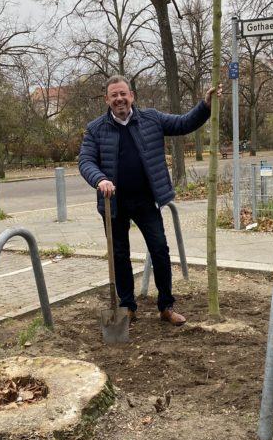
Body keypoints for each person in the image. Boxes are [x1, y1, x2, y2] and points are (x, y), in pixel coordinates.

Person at [78, 75, 221, 326]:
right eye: (114, 95)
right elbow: (85, 161)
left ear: (132, 95)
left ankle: (166, 306)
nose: (120, 99)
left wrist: (205, 105)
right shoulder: (96, 128)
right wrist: (100, 179)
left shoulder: (151, 118)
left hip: (146, 200)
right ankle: (127, 307)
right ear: (107, 100)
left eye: (123, 94)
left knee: (159, 249)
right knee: (120, 255)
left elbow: (183, 124)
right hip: (114, 203)